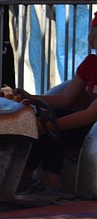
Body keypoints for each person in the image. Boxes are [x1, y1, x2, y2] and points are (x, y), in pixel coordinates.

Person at [19, 13, 97, 191]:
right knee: (46, 117)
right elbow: (64, 98)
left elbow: (91, 114)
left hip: (94, 131)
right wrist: (31, 98)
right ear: (93, 41)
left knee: (55, 120)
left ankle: (51, 181)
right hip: (85, 125)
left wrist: (49, 124)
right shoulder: (91, 64)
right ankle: (24, 175)